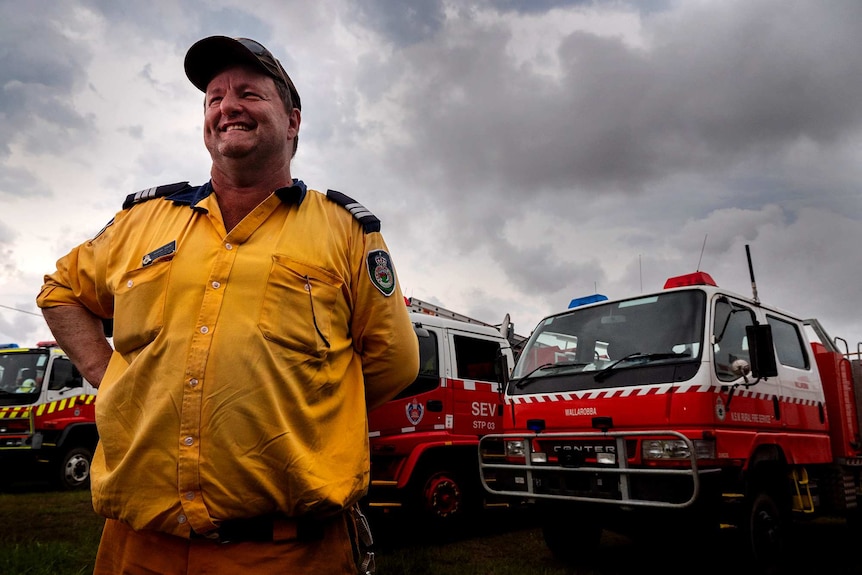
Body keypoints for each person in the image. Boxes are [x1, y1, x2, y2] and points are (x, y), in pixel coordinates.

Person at [36, 35, 419, 575]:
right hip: (138, 546)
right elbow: (61, 292)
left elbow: (393, 361)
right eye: (214, 98)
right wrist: (107, 373)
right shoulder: (142, 222)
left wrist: (303, 405)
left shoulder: (346, 232)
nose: (227, 106)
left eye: (249, 93)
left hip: (289, 552)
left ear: (292, 121)